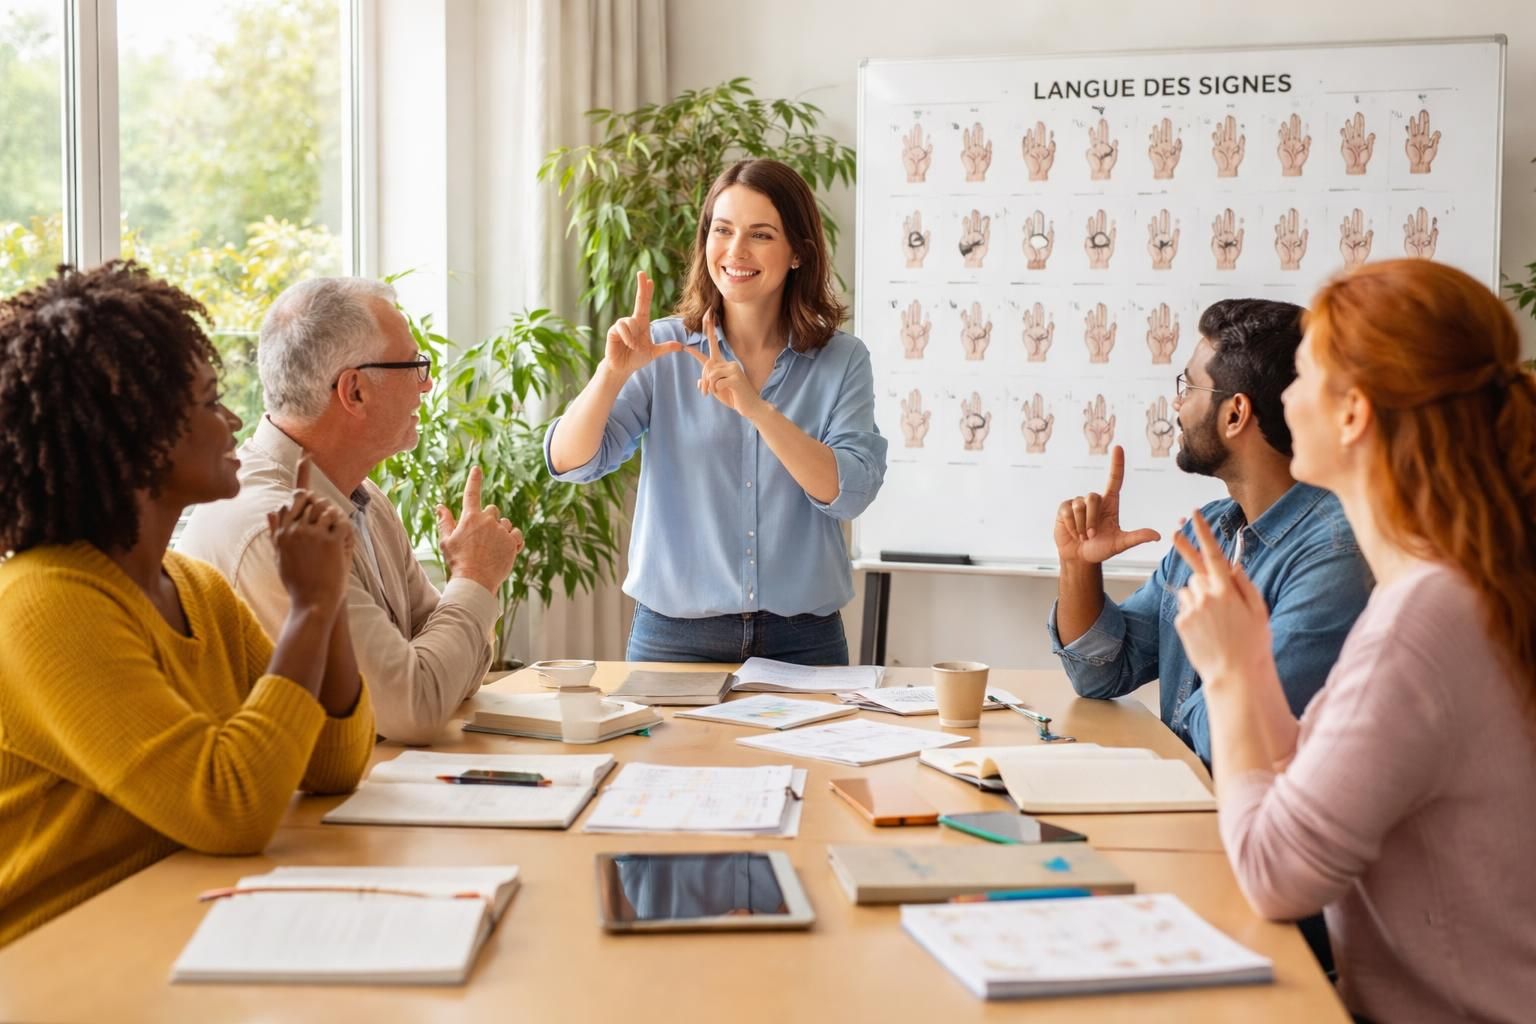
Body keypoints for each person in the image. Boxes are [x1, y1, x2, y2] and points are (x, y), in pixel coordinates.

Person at [1172, 259, 1536, 1023]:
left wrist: (1234, 674)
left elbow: (1276, 873)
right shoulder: (1447, 586)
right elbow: (1302, 771)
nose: (1284, 398)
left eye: (1302, 377)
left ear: (1352, 414)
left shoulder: (1426, 619)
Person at [0, 263, 376, 947]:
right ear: (139, 436)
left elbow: (331, 762)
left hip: (168, 931)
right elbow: (231, 806)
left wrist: (327, 589)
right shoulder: (46, 603)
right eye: (207, 402)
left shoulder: (192, 588)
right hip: (56, 964)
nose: (233, 420)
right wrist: (310, 611)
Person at [545, 159, 887, 664]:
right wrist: (611, 374)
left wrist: (756, 408)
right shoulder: (662, 346)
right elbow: (570, 461)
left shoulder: (842, 359)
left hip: (805, 642)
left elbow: (848, 493)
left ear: (797, 253)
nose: (736, 251)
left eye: (761, 235)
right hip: (674, 640)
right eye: (721, 230)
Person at [180, 278, 524, 744]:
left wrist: (465, 601)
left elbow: (455, 669)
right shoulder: (273, 527)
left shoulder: (364, 499)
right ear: (355, 391)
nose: (427, 383)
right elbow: (416, 708)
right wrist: (475, 578)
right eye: (414, 365)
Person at [1048, 299, 1372, 763]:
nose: (1176, 403)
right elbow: (1102, 673)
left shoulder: (1335, 555)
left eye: (1188, 386)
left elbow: (1231, 738)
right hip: (1193, 802)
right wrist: (1078, 564)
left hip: (1247, 823)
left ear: (1235, 414)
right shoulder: (1212, 531)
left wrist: (1224, 660)